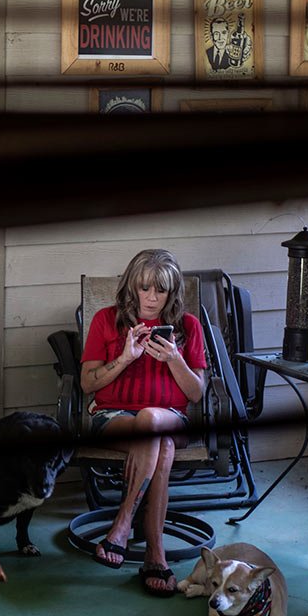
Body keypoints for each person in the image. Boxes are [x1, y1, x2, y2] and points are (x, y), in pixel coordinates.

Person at [80, 248, 208, 596]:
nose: (152, 298)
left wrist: (175, 359)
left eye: (161, 290)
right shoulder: (106, 320)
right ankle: (156, 553)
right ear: (131, 287)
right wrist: (125, 358)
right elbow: (88, 384)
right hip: (112, 418)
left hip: (172, 418)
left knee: (153, 419)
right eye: (145, 288)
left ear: (172, 292)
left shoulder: (188, 327)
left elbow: (195, 394)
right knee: (159, 440)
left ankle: (121, 524)